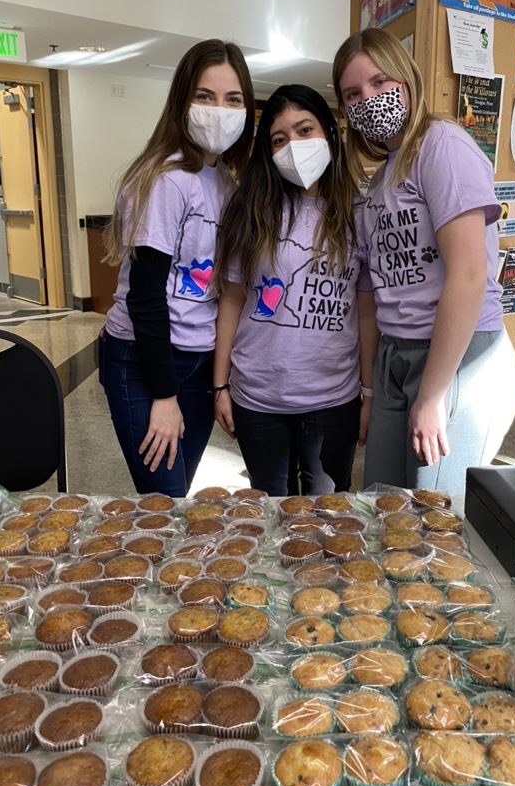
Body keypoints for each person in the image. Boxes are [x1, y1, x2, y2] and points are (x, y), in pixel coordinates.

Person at [333, 27, 515, 495]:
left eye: (380, 82)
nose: (369, 99)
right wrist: (372, 391)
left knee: (432, 522)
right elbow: (376, 295)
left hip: (457, 355)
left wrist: (434, 394)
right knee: (382, 502)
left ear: (407, 81)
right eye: (353, 94)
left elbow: (469, 273)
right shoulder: (380, 180)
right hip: (397, 355)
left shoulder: (441, 145)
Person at [99, 40, 255, 497]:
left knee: (178, 498)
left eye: (233, 99)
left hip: (199, 359)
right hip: (142, 359)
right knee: (163, 504)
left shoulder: (224, 180)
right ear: (182, 100)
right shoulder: (164, 178)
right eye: (205, 97)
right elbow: (145, 295)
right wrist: (163, 398)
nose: (219, 111)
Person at [213, 84, 377, 495]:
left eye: (305, 130)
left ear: (329, 132)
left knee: (328, 518)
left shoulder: (358, 214)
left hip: (333, 398)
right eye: (280, 139)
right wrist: (220, 386)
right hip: (258, 395)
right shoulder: (251, 212)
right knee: (269, 514)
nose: (294, 146)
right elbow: (232, 299)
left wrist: (369, 392)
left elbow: (365, 309)